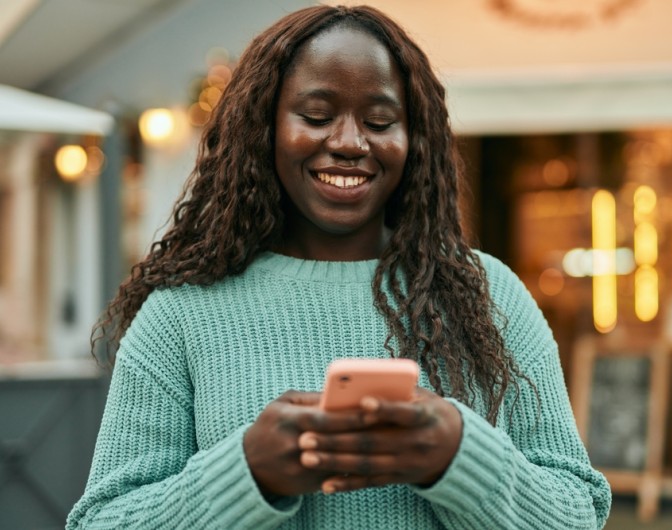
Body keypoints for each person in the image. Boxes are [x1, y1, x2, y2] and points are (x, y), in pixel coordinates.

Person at [67, 5, 611, 529]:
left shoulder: (488, 293)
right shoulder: (179, 316)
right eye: (317, 116)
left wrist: (458, 456)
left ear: (413, 139)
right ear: (264, 127)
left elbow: (577, 515)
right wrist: (247, 473)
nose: (350, 143)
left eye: (379, 121)